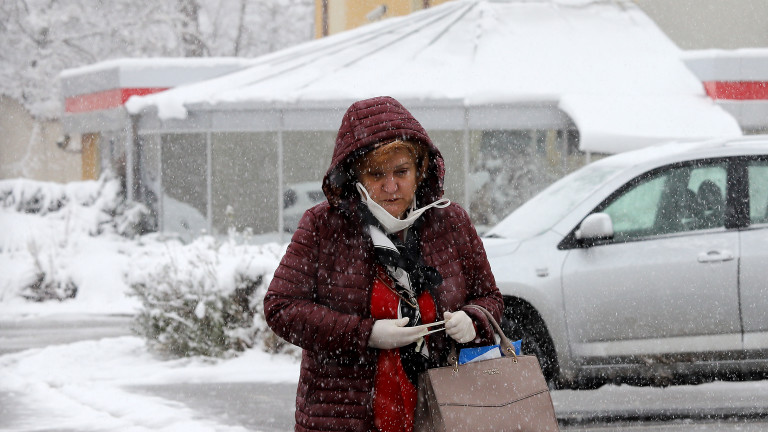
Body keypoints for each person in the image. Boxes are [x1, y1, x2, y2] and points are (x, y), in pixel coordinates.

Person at [264, 96, 503, 432]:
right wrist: (366, 334)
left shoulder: (450, 222)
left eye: (401, 172)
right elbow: (281, 308)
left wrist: (473, 319)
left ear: (420, 170)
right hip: (342, 418)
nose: (391, 187)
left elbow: (490, 297)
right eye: (376, 174)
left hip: (442, 415)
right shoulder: (324, 226)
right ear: (355, 177)